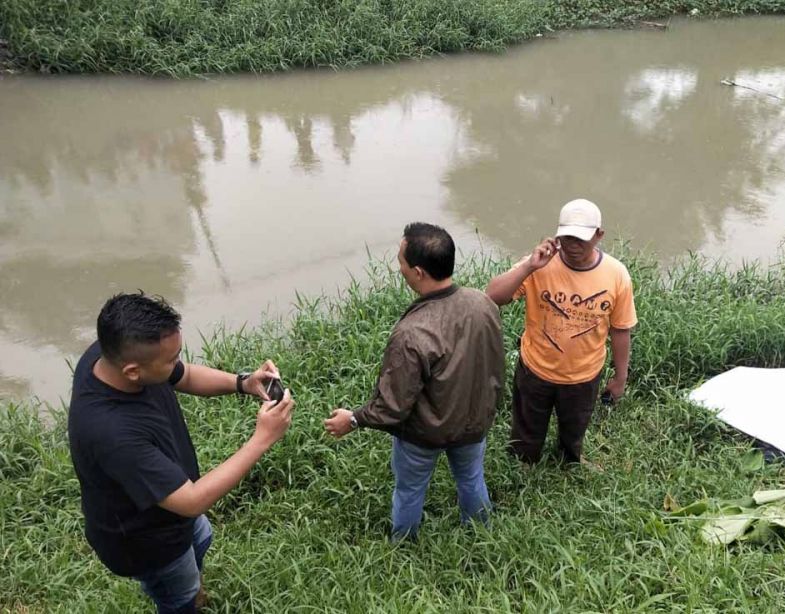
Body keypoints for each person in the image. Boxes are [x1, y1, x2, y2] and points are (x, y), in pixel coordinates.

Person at [68, 293, 295, 613]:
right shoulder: (112, 433)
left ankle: (191, 589)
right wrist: (262, 439)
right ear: (133, 371)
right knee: (178, 598)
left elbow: (184, 375)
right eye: (170, 358)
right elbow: (191, 501)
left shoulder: (111, 357)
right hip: (147, 542)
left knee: (200, 540)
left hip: (172, 511)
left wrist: (243, 383)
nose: (177, 362)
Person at [324, 222, 504, 540]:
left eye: (402, 262)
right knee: (472, 478)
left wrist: (352, 419)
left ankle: (402, 546)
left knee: (409, 491)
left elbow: (391, 407)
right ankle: (481, 534)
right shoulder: (483, 304)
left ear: (419, 272)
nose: (400, 267)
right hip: (474, 424)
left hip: (423, 436)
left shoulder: (412, 333)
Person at [485, 198, 638, 464]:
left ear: (599, 235)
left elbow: (620, 329)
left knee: (574, 432)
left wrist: (620, 378)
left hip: (584, 376)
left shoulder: (616, 274)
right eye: (567, 238)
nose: (573, 246)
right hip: (535, 370)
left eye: (581, 239)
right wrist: (529, 266)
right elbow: (493, 296)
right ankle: (523, 465)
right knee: (525, 435)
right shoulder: (539, 265)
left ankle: (569, 462)